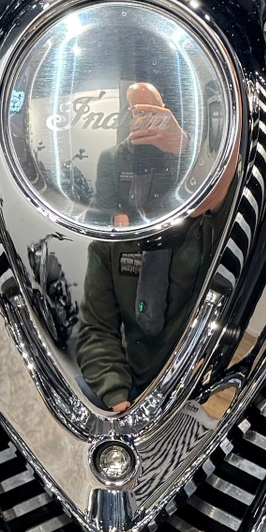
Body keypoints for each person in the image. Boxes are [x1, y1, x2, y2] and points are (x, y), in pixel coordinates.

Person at [74, 80, 221, 410]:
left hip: (197, 385)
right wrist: (117, 395)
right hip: (134, 379)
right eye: (136, 111)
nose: (144, 119)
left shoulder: (207, 231)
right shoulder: (110, 243)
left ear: (165, 109)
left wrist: (185, 148)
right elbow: (96, 327)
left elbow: (227, 199)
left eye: (153, 111)